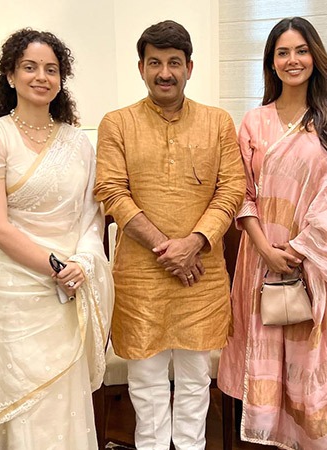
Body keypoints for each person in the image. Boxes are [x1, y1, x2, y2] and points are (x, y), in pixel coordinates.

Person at [217, 17, 327, 450]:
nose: (292, 60)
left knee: (310, 379)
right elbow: (242, 192)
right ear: (271, 62)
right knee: (268, 364)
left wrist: (301, 248)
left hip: (318, 267)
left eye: (301, 51)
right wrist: (264, 248)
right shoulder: (254, 121)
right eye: (282, 52)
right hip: (261, 261)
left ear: (315, 57)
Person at [93, 20, 245, 450]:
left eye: (174, 63)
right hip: (141, 274)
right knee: (145, 379)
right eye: (155, 62)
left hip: (201, 273)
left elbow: (232, 188)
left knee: (196, 377)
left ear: (189, 67)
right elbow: (111, 190)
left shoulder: (217, 121)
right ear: (141, 67)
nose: (165, 73)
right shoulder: (117, 123)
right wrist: (168, 249)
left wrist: (194, 243)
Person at [0, 29, 113, 449]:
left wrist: (82, 263)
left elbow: (91, 215)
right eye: (29, 67)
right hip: (20, 295)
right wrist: (56, 267)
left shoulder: (78, 142)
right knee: (29, 403)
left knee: (67, 398)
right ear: (10, 75)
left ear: (61, 79)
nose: (41, 77)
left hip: (72, 287)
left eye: (51, 69)